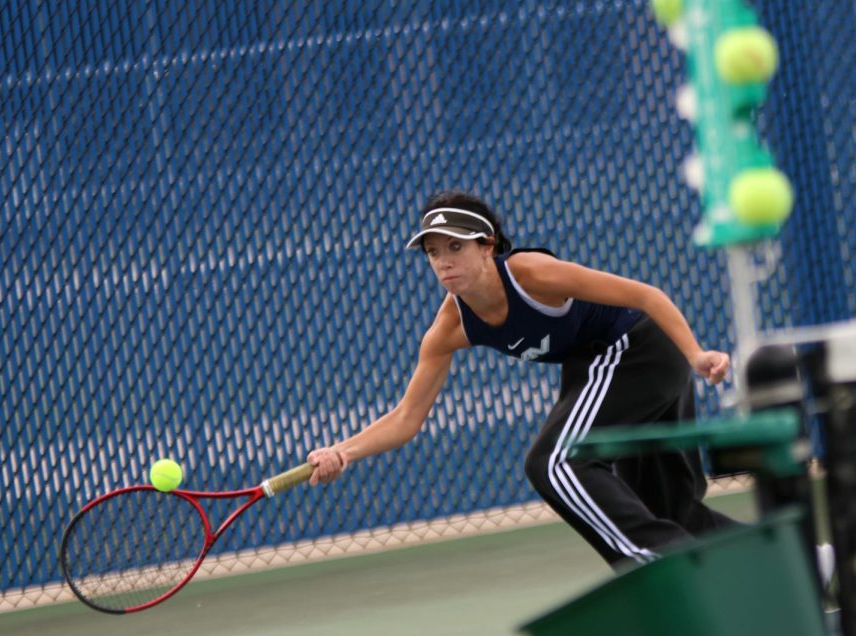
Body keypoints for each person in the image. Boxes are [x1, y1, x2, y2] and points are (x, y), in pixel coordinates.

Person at [307, 190, 736, 568]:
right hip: (605, 366)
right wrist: (342, 452)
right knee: (670, 507)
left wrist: (696, 353)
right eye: (433, 252)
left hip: (639, 347)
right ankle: (777, 561)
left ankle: (664, 563)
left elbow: (645, 295)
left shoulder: (532, 274)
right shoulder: (449, 328)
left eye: (455, 246)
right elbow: (406, 417)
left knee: (554, 461)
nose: (443, 262)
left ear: (486, 246)